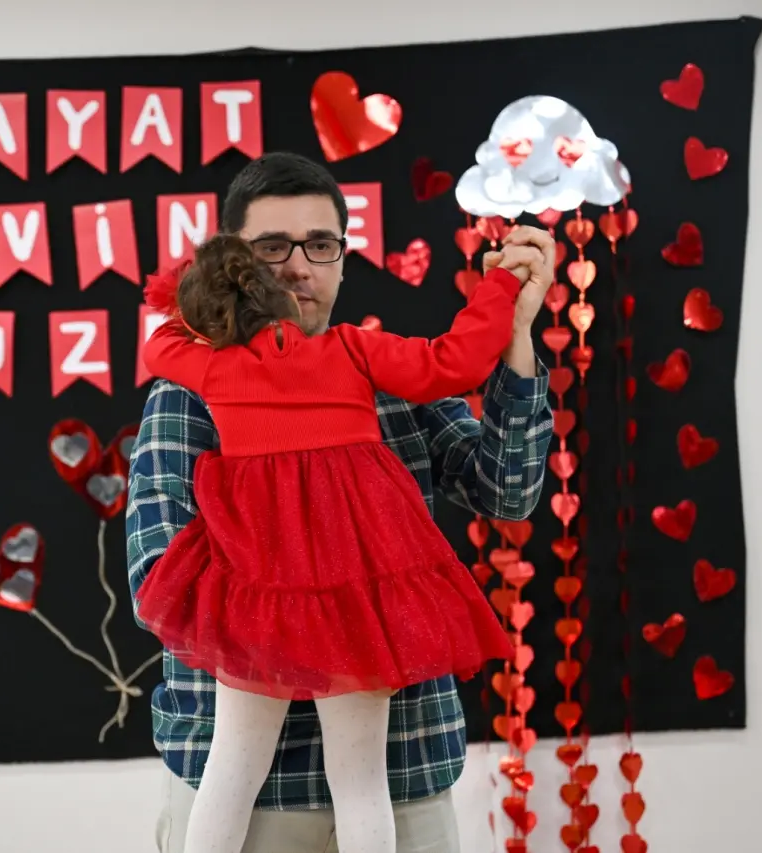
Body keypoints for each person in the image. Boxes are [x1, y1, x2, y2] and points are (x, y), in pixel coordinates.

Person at [126, 152, 555, 853]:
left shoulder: (373, 369)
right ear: (239, 259)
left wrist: (515, 335)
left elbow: (507, 492)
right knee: (331, 782)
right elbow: (155, 576)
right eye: (271, 249)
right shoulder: (194, 395)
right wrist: (496, 289)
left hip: (409, 770)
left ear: (344, 258)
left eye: (320, 245)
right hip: (265, 804)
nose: (298, 268)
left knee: (334, 783)